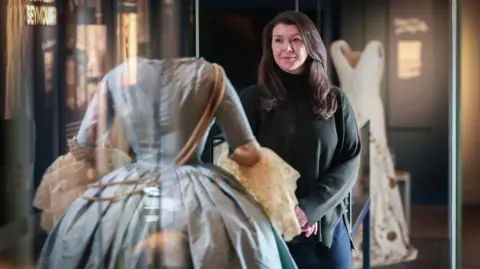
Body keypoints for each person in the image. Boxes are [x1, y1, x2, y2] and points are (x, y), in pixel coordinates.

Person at [37, 58, 297, 269]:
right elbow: (246, 150)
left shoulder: (117, 76)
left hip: (130, 184)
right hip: (201, 189)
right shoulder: (211, 75)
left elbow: (85, 144)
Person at [240, 11, 361, 269]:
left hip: (326, 228)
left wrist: (310, 208)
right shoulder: (253, 100)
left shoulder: (336, 100)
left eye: (296, 40)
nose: (286, 48)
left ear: (311, 44)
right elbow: (242, 163)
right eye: (278, 40)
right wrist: (288, 210)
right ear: (269, 46)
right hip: (273, 229)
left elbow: (350, 161)